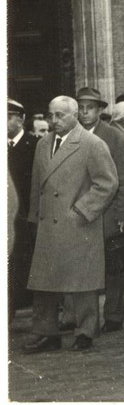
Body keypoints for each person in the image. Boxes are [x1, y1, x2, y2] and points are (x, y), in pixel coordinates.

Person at [21, 96, 118, 353]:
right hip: (47, 224)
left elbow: (107, 184)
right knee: (44, 283)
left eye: (60, 115)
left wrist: (82, 211)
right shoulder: (43, 144)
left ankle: (85, 331)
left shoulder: (91, 144)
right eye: (51, 115)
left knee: (82, 282)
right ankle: (45, 332)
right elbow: (36, 186)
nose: (54, 121)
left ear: (75, 115)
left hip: (78, 225)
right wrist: (34, 218)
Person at [74, 87, 124, 334]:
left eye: (90, 107)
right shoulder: (73, 135)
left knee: (113, 266)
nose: (85, 112)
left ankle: (113, 315)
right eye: (80, 107)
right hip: (80, 213)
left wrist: (123, 214)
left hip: (109, 213)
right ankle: (78, 317)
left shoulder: (115, 137)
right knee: (81, 266)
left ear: (100, 110)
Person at [8, 98, 39, 316]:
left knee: (24, 264)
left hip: (26, 216)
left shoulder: (34, 145)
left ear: (20, 120)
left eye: (7, 118)